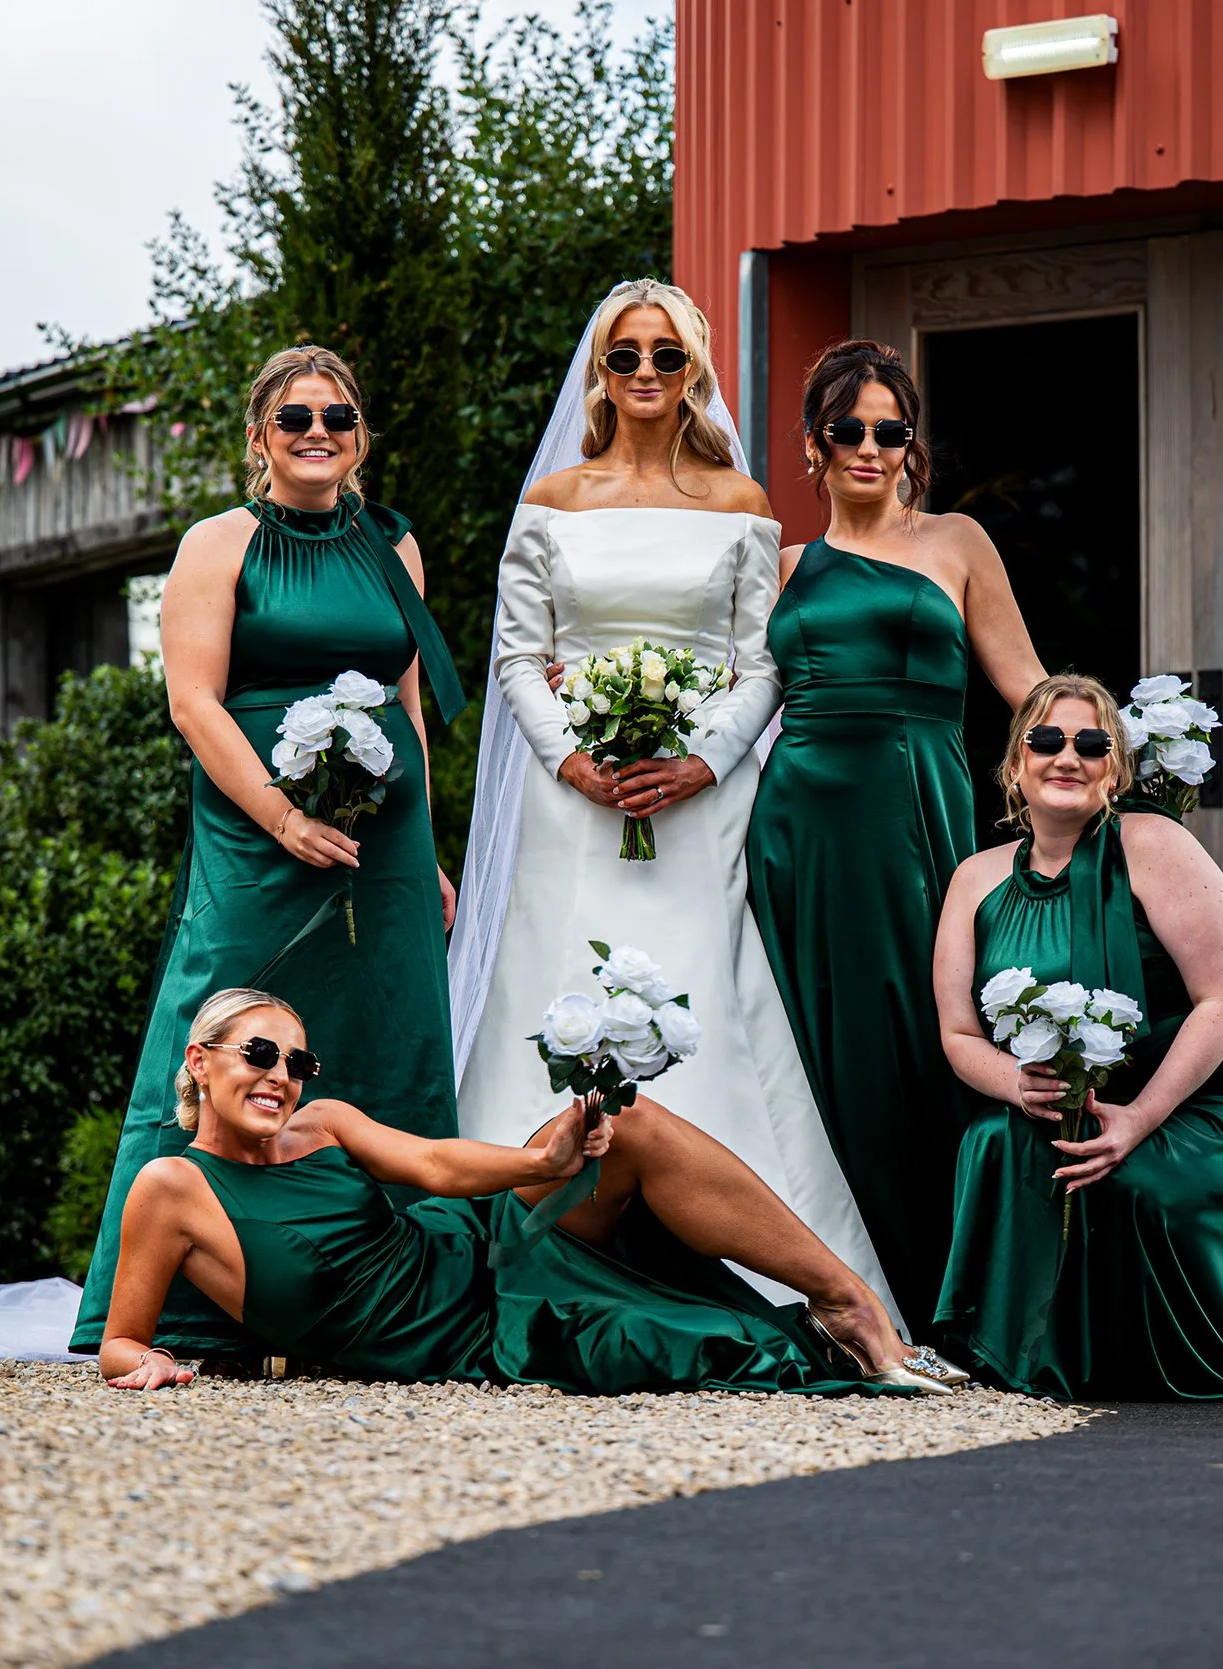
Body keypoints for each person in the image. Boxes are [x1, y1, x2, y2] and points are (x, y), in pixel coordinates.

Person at [444, 280, 901, 1328]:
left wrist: (698, 761)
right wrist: (570, 761)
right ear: (599, 373)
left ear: (694, 370)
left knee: (707, 998)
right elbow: (519, 658)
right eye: (624, 356)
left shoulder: (740, 506)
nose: (645, 374)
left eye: (664, 356)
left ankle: (760, 1266)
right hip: (576, 807)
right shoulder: (552, 503)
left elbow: (761, 664)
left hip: (700, 801)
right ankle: (523, 1261)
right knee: (547, 985)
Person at [70, 347, 466, 1361]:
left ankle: (396, 1296)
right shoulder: (217, 544)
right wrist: (282, 818)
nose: (318, 433)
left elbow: (407, 699)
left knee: (388, 1031)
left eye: (338, 416)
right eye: (294, 420)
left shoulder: (394, 546)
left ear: (359, 433)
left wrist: (420, 850)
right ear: (259, 438)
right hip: (253, 830)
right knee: (223, 1011)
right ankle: (177, 1307)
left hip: (382, 838)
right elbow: (191, 701)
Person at [97, 988, 950, 1395]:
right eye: (259, 1053)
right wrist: (156, 1366)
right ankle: (817, 1325)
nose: (282, 1075)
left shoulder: (322, 1122)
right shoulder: (170, 1187)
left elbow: (434, 1167)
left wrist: (544, 1164)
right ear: (200, 1061)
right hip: (469, 1335)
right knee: (698, 1348)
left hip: (474, 1244)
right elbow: (121, 1342)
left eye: (297, 1060)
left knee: (627, 1116)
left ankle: (848, 1299)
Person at [745, 340, 1045, 1329]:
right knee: (820, 1042)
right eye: (849, 429)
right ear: (812, 445)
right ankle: (840, 1289)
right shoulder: (779, 566)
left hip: (915, 818)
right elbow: (722, 700)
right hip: (799, 826)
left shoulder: (955, 541)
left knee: (923, 1032)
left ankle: (941, 1296)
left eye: (890, 430)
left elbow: (1028, 689)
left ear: (909, 444)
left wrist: (1121, 761)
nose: (870, 446)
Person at [931, 675, 1223, 1399]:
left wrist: (1140, 1119)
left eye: (1091, 743)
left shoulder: (1153, 844)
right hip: (1085, 1100)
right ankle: (1015, 1355)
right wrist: (1016, 1081)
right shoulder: (974, 880)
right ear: (1016, 762)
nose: (1067, 756)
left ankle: (1143, 1362)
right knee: (996, 1141)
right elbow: (958, 1032)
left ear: (1115, 767)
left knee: (1130, 1178)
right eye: (1047, 740)